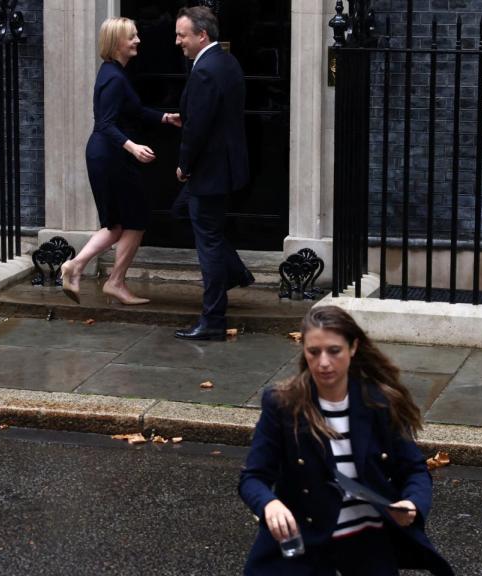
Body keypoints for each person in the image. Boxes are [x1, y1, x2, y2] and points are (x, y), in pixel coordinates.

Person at [238, 306, 453, 576]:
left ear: (353, 348)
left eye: (334, 351)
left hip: (368, 548)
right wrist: (270, 504)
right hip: (306, 547)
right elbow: (252, 478)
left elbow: (414, 469)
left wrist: (412, 504)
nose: (323, 362)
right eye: (314, 352)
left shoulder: (378, 403)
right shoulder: (283, 404)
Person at [59, 17, 182, 306]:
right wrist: (133, 147)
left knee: (116, 224)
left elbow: (134, 111)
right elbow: (105, 123)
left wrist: (165, 117)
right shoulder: (114, 78)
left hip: (107, 155)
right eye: (132, 36)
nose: (138, 40)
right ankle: (112, 281)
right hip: (110, 156)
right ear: (117, 43)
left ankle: (76, 266)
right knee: (135, 220)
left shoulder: (114, 73)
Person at [172, 7, 254, 340]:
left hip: (209, 171)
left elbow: (198, 128)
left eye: (182, 35)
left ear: (202, 35)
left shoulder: (205, 70)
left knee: (208, 243)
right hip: (224, 168)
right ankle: (235, 271)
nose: (178, 41)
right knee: (185, 214)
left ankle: (213, 320)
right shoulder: (227, 61)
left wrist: (184, 165)